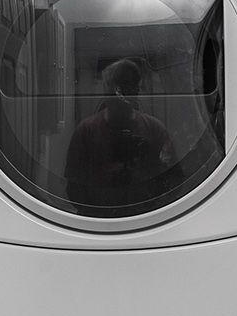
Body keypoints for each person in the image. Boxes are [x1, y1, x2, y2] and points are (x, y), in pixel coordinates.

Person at [64, 58, 174, 205]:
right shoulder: (86, 131)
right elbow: (74, 186)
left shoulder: (155, 130)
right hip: (100, 216)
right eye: (117, 89)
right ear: (107, 90)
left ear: (136, 90)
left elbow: (170, 181)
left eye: (128, 87)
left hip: (144, 212)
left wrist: (148, 162)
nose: (121, 96)